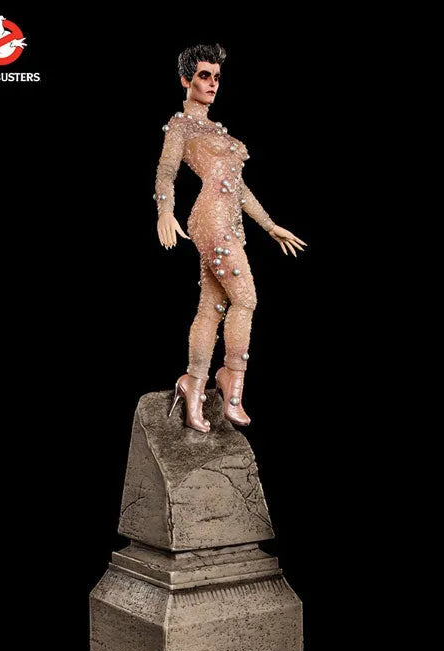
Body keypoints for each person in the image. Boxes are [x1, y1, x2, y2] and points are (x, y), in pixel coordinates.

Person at [155, 43, 307, 433]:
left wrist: (269, 225)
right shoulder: (182, 125)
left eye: (217, 77)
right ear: (186, 80)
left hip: (230, 222)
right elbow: (167, 171)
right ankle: (231, 381)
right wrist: (165, 211)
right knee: (246, 298)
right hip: (211, 220)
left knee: (212, 308)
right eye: (203, 76)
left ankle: (193, 384)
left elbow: (238, 188)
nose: (212, 83)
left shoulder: (216, 130)